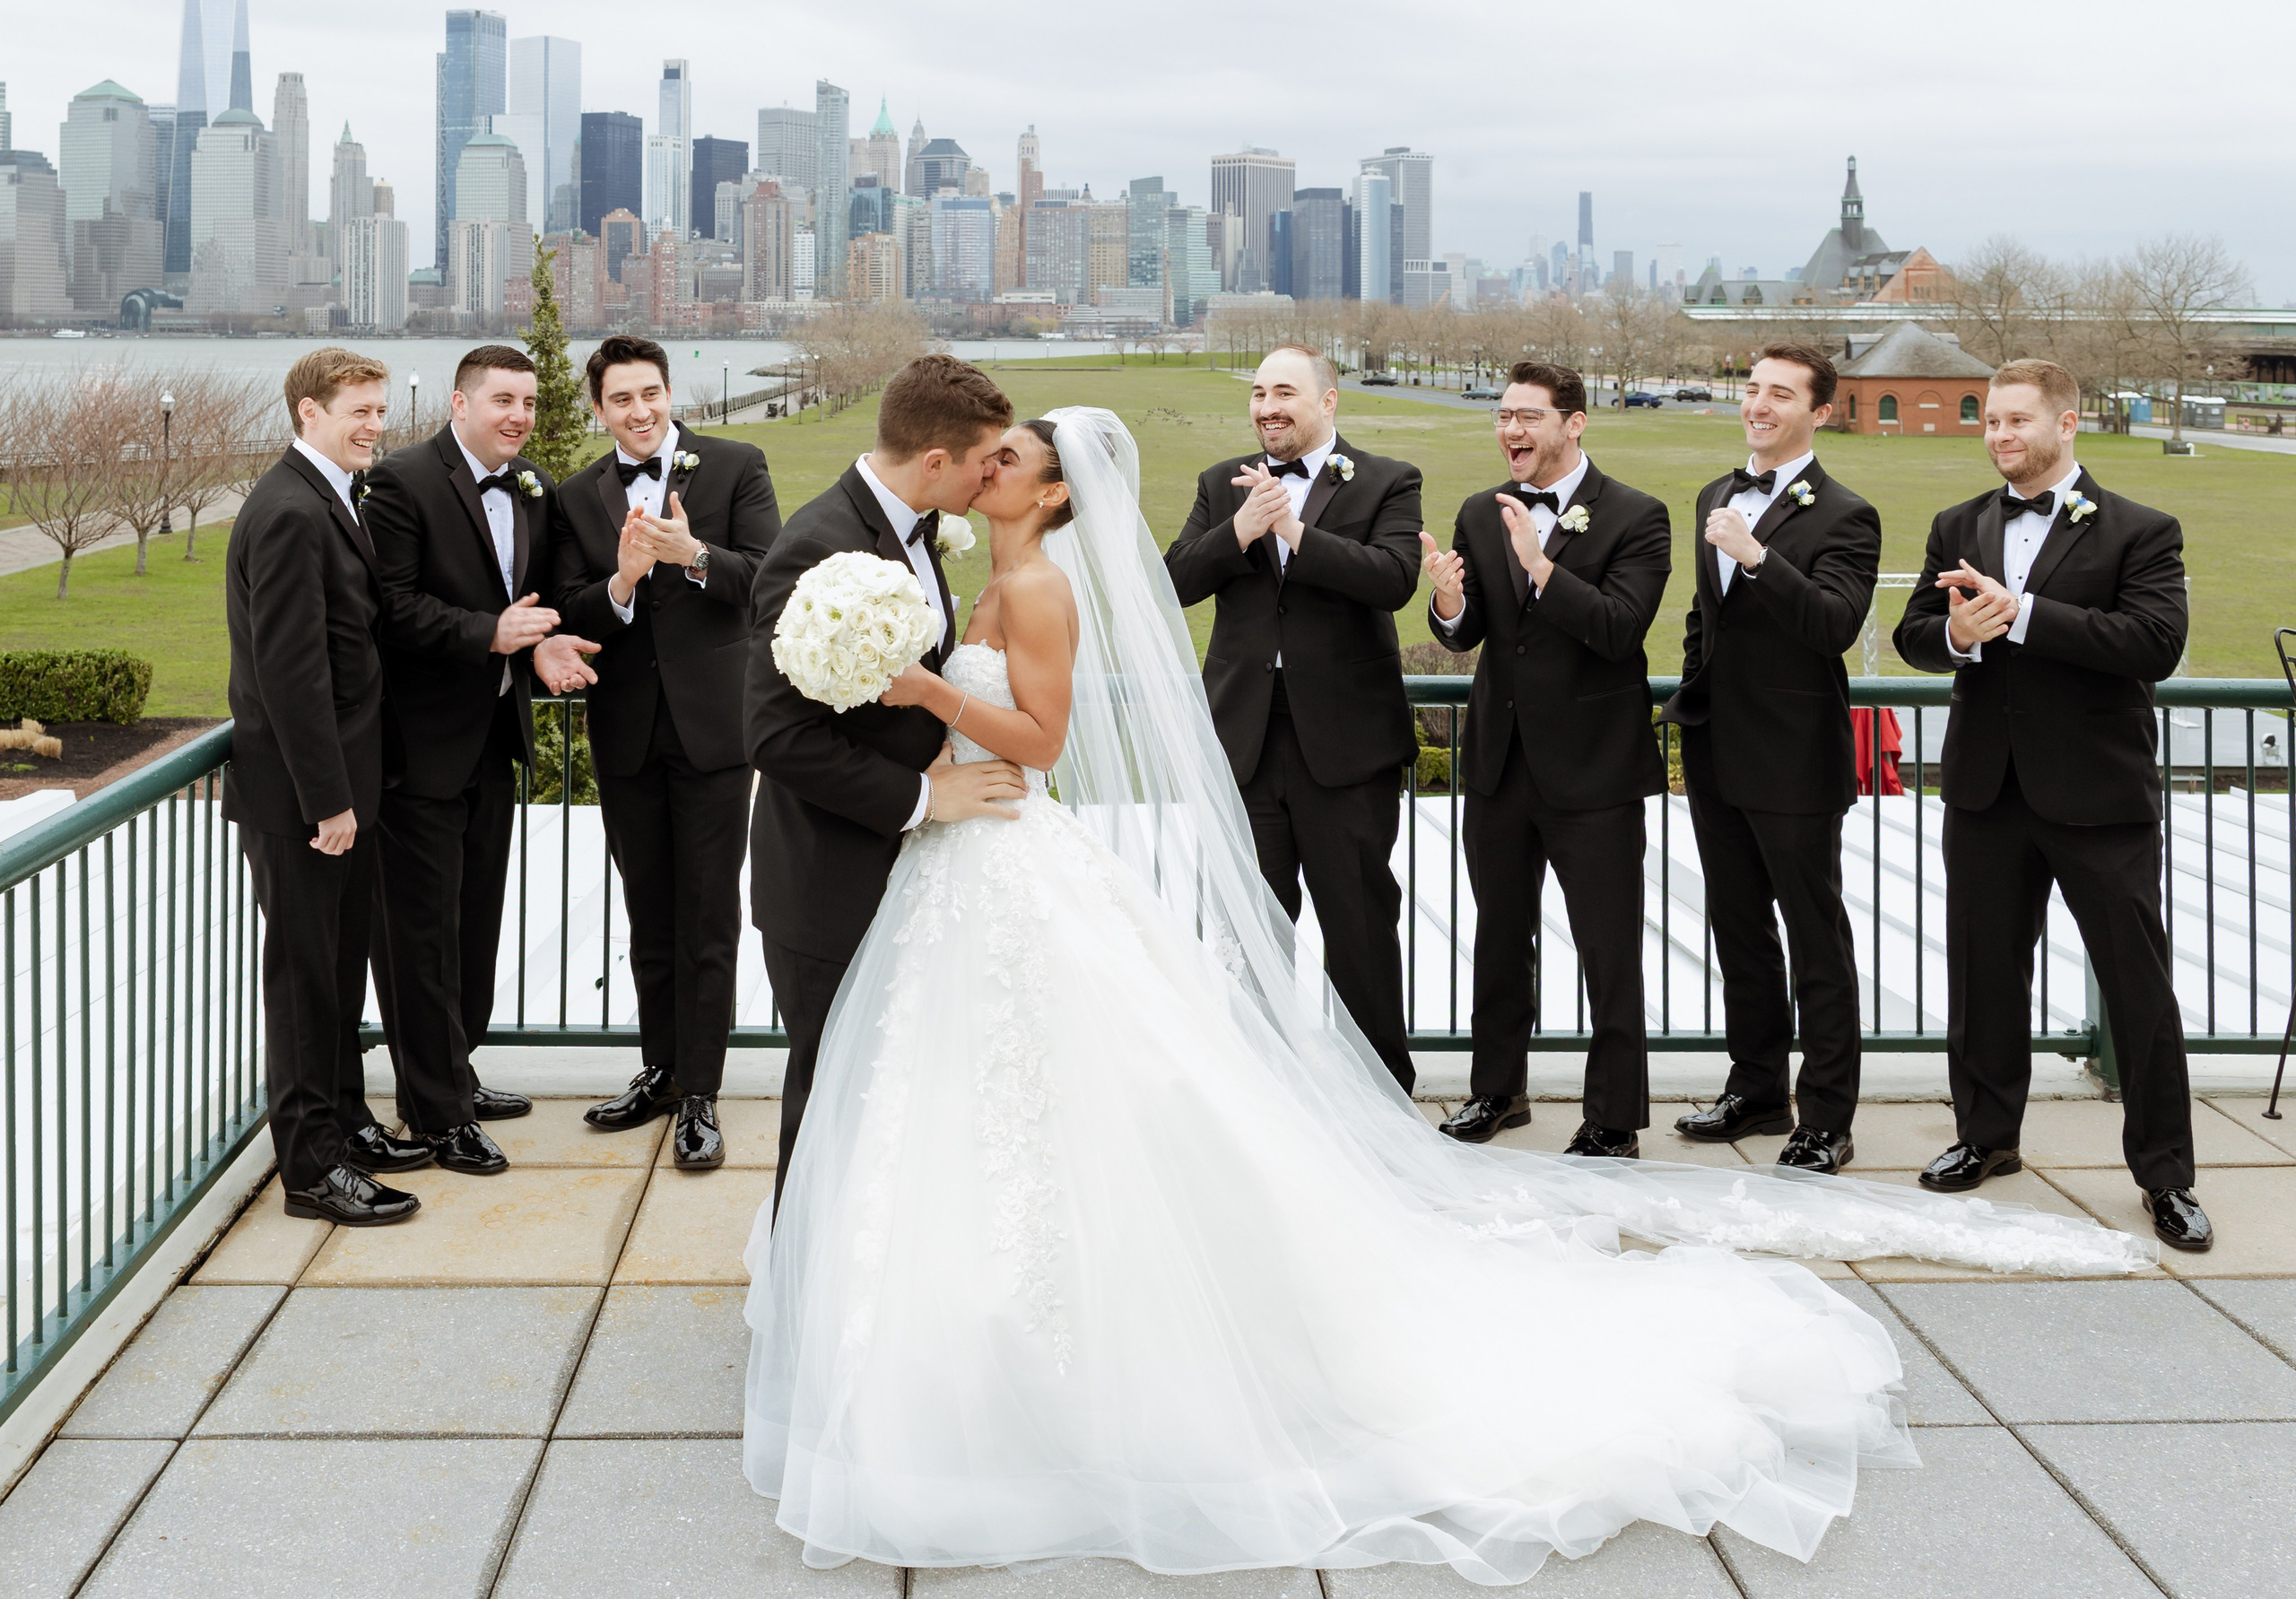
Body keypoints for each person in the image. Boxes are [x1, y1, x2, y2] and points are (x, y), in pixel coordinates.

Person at [741, 406, 2149, 1587]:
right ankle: (952, 1303)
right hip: (966, 861)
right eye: (981, 453)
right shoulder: (954, 565)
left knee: (1071, 1088)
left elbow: (1040, 734)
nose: (985, 465)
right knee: (993, 1096)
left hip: (1006, 840)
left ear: (1048, 490)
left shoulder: (1034, 583)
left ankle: (1058, 1328)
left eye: (1008, 456)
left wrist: (923, 685)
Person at [1892, 360, 2210, 1252]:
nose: (1999, 435)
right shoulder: (1958, 523)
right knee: (1983, 977)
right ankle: (1985, 1137)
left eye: (2017, 420)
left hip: (2099, 797)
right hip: (1986, 792)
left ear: (2066, 424)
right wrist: (1953, 633)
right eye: (1989, 420)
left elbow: (2154, 642)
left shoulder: (2141, 529)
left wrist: (2024, 612)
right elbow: (1916, 632)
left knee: (2137, 993)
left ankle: (2165, 1175)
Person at [745, 355, 1030, 1213]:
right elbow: (773, 733)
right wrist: (923, 796)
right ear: (936, 462)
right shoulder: (817, 545)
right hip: (828, 874)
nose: (994, 476)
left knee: (890, 1090)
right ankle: (802, 1303)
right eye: (986, 461)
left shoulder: (912, 529)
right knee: (829, 1093)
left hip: (902, 873)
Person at [1422, 361, 1670, 1157]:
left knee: (1608, 945)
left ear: (1575, 421)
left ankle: (1614, 1119)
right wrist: (1450, 604)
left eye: (1528, 416)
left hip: (1594, 771)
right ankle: (1497, 1091)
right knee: (1498, 936)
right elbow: (1474, 634)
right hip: (1500, 761)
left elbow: (1619, 629)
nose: (1511, 431)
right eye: (1503, 416)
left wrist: (1541, 565)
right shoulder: (1478, 510)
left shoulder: (1637, 515)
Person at [1163, 345, 1422, 1094]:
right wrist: (1242, 527)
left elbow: (1393, 580)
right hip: (1244, 746)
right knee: (1248, 929)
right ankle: (1259, 1096)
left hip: (1346, 751)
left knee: (1361, 928)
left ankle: (1380, 1097)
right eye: (1258, 393)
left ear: (1328, 401)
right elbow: (1173, 580)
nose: (1268, 407)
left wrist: (1296, 534)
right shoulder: (1223, 483)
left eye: (1285, 392)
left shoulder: (1386, 480)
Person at [363, 343, 595, 1174]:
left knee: (474, 928)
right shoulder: (400, 481)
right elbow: (389, 609)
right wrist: (486, 635)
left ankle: (456, 1073)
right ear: (460, 404)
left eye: (528, 402)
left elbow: (529, 605)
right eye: (503, 400)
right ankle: (434, 1114)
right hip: (418, 751)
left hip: (496, 743)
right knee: (419, 941)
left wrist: (537, 644)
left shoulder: (531, 488)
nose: (519, 416)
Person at [548, 336, 778, 1168]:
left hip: (715, 732)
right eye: (621, 400)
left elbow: (765, 579)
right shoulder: (576, 496)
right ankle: (659, 1068)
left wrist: (693, 558)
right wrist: (618, 584)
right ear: (600, 408)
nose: (640, 412)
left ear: (670, 392)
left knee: (709, 913)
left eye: (651, 394)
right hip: (627, 734)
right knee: (649, 909)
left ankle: (703, 1095)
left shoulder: (735, 465)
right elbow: (570, 604)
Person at [1662, 344, 1879, 1174]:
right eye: (1753, 388)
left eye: (1780, 394)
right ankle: (1756, 1088)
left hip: (1794, 756)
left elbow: (1832, 624)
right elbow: (1703, 617)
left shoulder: (1847, 514)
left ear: (1819, 411)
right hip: (1717, 745)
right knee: (1739, 927)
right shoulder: (1717, 493)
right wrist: (1692, 701)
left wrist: (1758, 555)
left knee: (1814, 936)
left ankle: (1827, 1115)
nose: (1759, 404)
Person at [222, 349, 418, 1226]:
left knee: (339, 976)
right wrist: (328, 801)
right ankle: (310, 1169)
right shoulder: (289, 512)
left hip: (344, 791)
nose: (375, 423)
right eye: (359, 410)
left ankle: (346, 1125)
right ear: (309, 412)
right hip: (308, 804)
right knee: (305, 985)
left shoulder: (333, 495)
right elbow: (290, 673)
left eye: (380, 409)